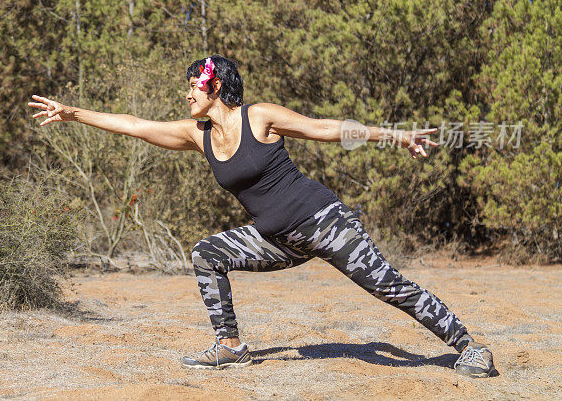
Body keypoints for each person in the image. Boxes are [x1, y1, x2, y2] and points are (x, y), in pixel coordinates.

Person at [28, 54, 495, 378]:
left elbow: (325, 129)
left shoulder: (259, 117)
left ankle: (470, 347)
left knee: (388, 286)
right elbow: (136, 126)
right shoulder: (198, 134)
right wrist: (74, 113)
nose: (188, 92)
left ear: (215, 86)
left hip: (324, 221)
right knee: (207, 253)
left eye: (194, 84)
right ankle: (230, 346)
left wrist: (392, 136)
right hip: (277, 238)